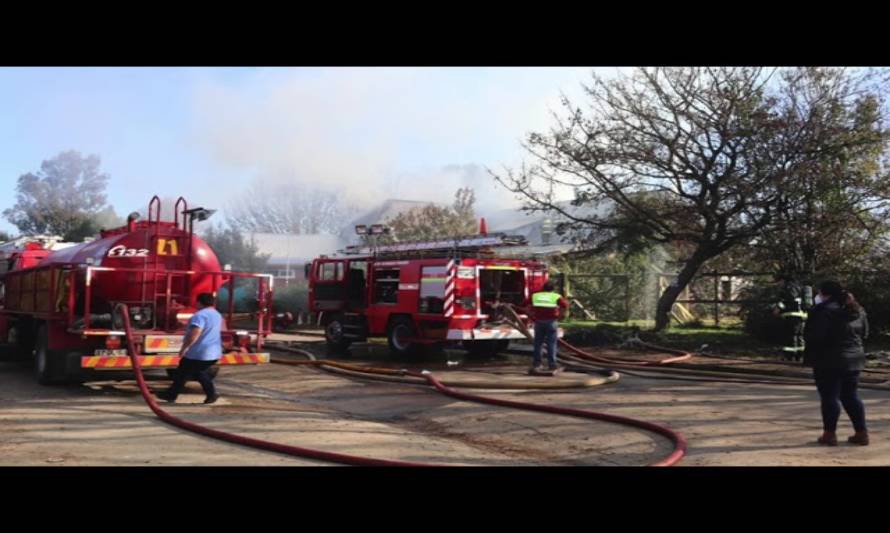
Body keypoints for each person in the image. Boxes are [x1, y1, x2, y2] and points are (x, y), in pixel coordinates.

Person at [803, 280, 869, 446]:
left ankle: (829, 434)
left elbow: (815, 336)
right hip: (854, 359)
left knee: (830, 397)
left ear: (824, 293)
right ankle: (861, 433)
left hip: (828, 361)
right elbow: (865, 333)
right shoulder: (857, 310)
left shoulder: (822, 311)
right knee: (850, 396)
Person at [156, 293, 223, 404]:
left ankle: (211, 394)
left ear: (199, 302)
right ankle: (171, 394)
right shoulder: (217, 314)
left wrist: (184, 347)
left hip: (199, 352)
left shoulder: (200, 315)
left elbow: (195, 333)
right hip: (213, 352)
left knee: (189, 372)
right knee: (189, 372)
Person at [527, 281, 569, 372]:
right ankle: (552, 365)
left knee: (538, 344)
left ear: (543, 288)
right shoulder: (556, 296)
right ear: (553, 289)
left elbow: (524, 305)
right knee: (551, 344)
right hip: (551, 322)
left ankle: (536, 364)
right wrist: (561, 315)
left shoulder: (535, 296)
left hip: (538, 322)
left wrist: (531, 314)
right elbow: (565, 305)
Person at [773, 274, 808, 361]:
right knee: (799, 336)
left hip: (791, 316)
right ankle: (800, 355)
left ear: (783, 280)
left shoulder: (789, 288)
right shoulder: (799, 287)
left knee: (790, 336)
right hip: (801, 316)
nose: (778, 284)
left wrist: (778, 308)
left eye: (779, 282)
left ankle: (790, 356)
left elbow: (788, 300)